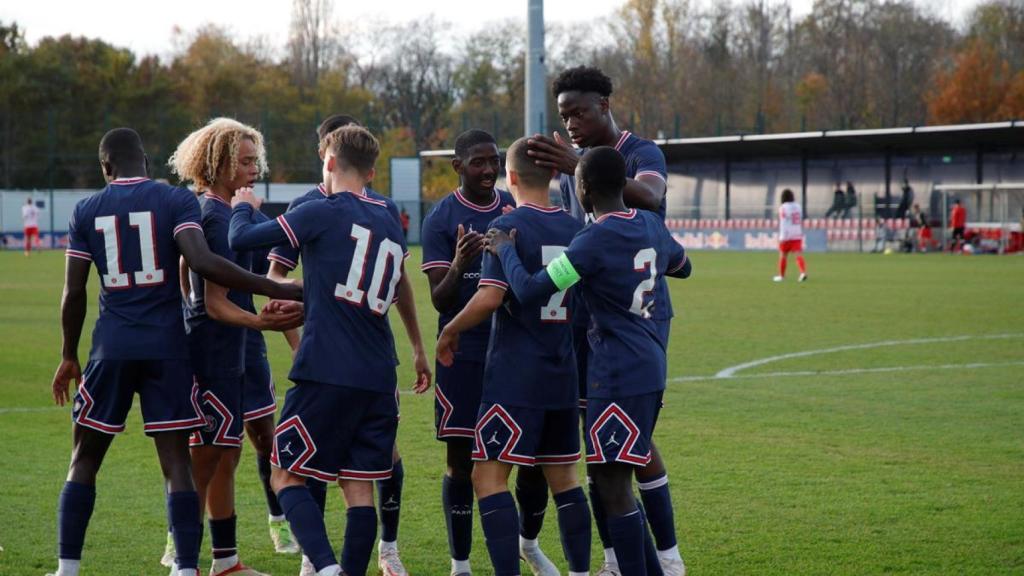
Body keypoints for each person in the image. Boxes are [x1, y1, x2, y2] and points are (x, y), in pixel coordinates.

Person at [47, 127, 301, 576]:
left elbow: (74, 293)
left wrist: (69, 354)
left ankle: (67, 569)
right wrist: (272, 288)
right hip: (169, 349)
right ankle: (184, 567)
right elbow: (199, 264)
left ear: (105, 168)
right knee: (179, 464)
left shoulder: (85, 209)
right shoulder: (176, 202)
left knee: (84, 460)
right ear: (145, 161)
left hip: (111, 346)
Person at [228, 125, 428, 576]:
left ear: (330, 162)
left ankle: (324, 566)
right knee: (358, 487)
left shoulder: (320, 209)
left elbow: (240, 241)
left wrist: (242, 208)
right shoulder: (390, 214)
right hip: (379, 372)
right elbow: (386, 285)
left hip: (327, 368)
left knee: (285, 473)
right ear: (373, 171)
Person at [487, 146, 692, 576]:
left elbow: (527, 290)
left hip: (616, 372)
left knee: (612, 485)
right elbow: (684, 265)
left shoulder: (593, 239)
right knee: (611, 476)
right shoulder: (651, 223)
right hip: (651, 362)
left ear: (582, 188)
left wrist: (504, 248)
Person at [526, 65, 684, 576]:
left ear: (605, 107)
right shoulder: (575, 171)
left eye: (580, 111)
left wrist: (579, 163)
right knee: (602, 445)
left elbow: (653, 198)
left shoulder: (641, 152)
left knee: (632, 446)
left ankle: (667, 555)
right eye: (565, 114)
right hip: (590, 315)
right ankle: (618, 559)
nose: (571, 121)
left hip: (639, 317)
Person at [435, 137, 591, 576]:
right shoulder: (576, 231)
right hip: (562, 375)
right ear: (556, 177)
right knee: (565, 481)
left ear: (513, 177)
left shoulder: (506, 229)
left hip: (514, 378)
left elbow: (488, 297)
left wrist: (449, 330)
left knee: (487, 479)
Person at [168, 118, 302, 576]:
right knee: (204, 458)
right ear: (218, 162)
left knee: (228, 452)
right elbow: (213, 304)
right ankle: (182, 562)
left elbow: (237, 286)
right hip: (213, 350)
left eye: (254, 160)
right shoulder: (213, 214)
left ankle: (225, 560)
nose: (252, 169)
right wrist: (260, 322)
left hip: (235, 347)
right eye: (244, 161)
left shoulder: (229, 211)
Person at [420, 129, 515, 576]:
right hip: (461, 353)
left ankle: (523, 549)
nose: (489, 169)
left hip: (513, 352)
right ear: (457, 166)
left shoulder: (514, 210)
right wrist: (460, 262)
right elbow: (439, 300)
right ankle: (460, 564)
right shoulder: (441, 218)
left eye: (494, 160)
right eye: (478, 162)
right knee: (460, 460)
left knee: (516, 457)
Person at [773, 189, 808, 282]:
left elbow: (783, 218)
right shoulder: (798, 206)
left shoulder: (783, 207)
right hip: (797, 233)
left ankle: (781, 276)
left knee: (783, 255)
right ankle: (803, 272)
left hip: (786, 235)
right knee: (798, 255)